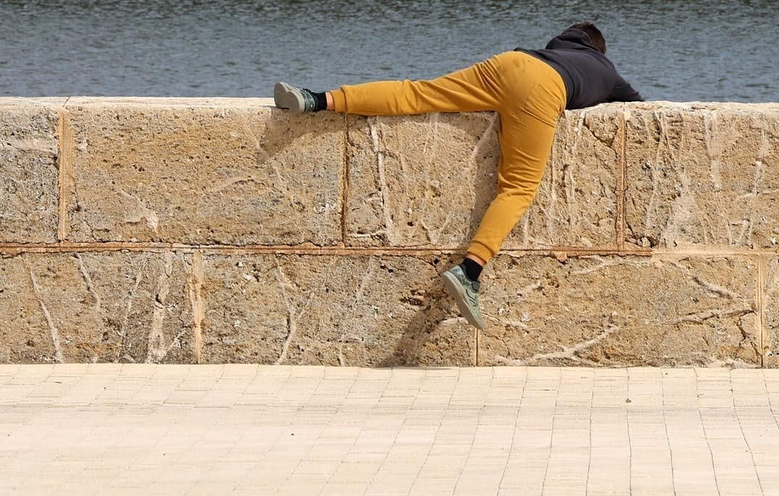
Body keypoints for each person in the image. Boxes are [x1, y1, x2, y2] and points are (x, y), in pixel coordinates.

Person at [274, 21, 642, 329]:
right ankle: (469, 270)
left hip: (509, 63)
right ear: (600, 50)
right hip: (544, 89)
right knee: (518, 188)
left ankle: (317, 99)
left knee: (417, 94)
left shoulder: (545, 50)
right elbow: (637, 103)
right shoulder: (607, 71)